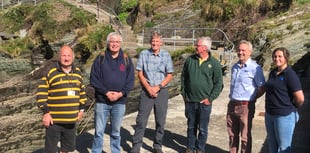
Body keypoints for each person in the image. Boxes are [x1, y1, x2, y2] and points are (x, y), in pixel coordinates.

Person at [36, 45, 87, 153]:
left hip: (71, 121)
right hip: (54, 121)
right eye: (64, 55)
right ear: (59, 57)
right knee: (50, 150)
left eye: (69, 55)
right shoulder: (51, 72)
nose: (66, 58)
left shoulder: (78, 73)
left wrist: (81, 110)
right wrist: (46, 113)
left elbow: (82, 93)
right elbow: (41, 94)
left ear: (73, 57)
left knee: (66, 149)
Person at [90, 32, 135, 153]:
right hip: (102, 101)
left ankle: (115, 151)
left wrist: (120, 94)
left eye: (117, 42)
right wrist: (106, 93)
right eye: (112, 41)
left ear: (120, 43)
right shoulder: (100, 58)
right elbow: (94, 79)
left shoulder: (126, 59)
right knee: (99, 131)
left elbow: (130, 81)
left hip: (120, 102)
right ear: (108, 43)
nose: (114, 44)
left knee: (116, 132)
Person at [130, 31, 174, 153]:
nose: (155, 43)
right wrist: (149, 88)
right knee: (141, 120)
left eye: (157, 41)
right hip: (146, 91)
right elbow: (140, 73)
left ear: (161, 43)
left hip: (162, 91)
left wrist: (158, 87)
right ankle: (136, 145)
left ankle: (157, 145)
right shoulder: (144, 54)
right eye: (153, 41)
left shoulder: (166, 55)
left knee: (160, 120)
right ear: (150, 42)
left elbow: (169, 75)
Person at [181, 37, 223, 153]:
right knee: (191, 127)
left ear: (204, 48)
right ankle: (190, 148)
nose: (195, 47)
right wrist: (184, 95)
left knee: (203, 129)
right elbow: (183, 78)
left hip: (204, 103)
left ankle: (200, 149)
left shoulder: (214, 64)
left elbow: (219, 83)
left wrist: (210, 99)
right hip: (190, 101)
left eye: (197, 45)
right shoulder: (190, 60)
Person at [226, 40, 266, 153]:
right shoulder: (235, 67)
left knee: (245, 137)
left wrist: (252, 98)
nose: (240, 52)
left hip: (246, 106)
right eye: (239, 50)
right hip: (232, 104)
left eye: (243, 50)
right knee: (232, 135)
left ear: (250, 52)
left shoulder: (255, 68)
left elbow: (262, 87)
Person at [265, 47, 304, 153]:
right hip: (270, 114)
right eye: (274, 56)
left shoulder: (290, 74)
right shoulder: (273, 72)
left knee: (284, 148)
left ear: (286, 58)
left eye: (279, 56)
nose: (276, 58)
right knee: (272, 147)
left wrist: (292, 107)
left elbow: (300, 98)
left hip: (284, 116)